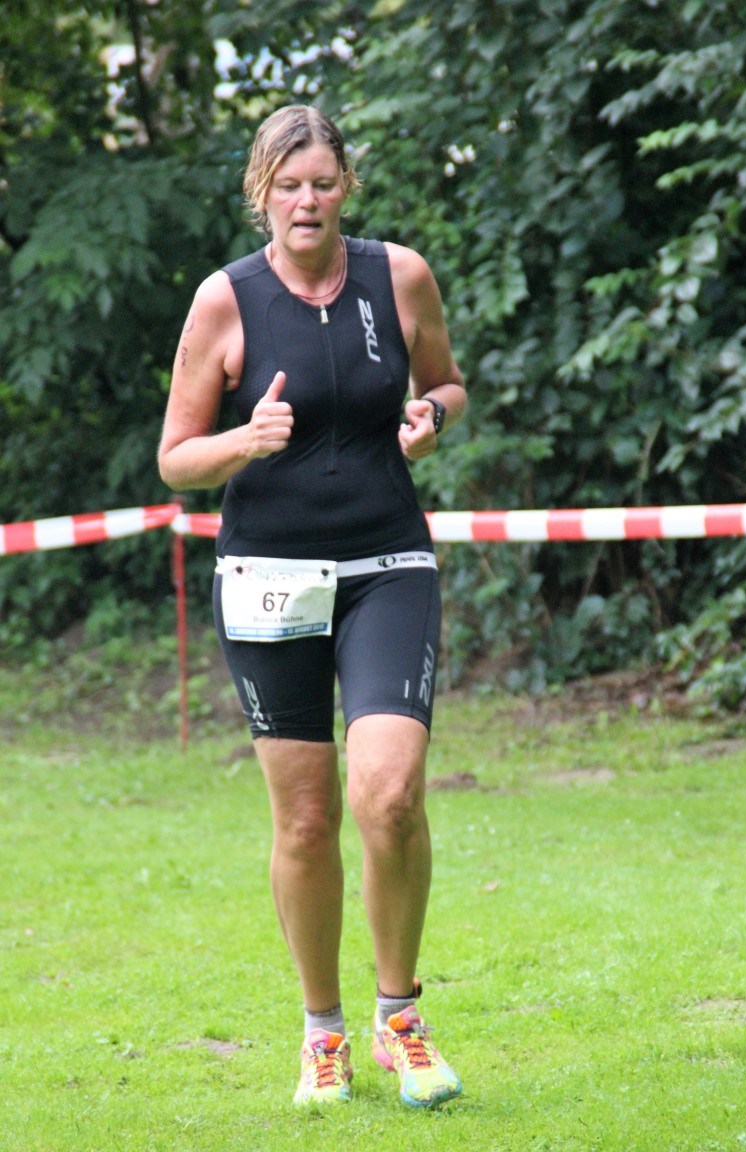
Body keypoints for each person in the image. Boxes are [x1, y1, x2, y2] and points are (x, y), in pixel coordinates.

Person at [158, 104, 467, 1109]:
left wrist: (431, 415)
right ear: (262, 193)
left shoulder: (399, 276)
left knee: (390, 793)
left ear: (346, 189)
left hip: (386, 562)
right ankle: (322, 1032)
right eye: (288, 185)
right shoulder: (224, 300)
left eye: (323, 182)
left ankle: (401, 1020)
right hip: (270, 577)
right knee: (303, 821)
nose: (307, 200)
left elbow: (449, 385)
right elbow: (175, 459)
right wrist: (244, 441)